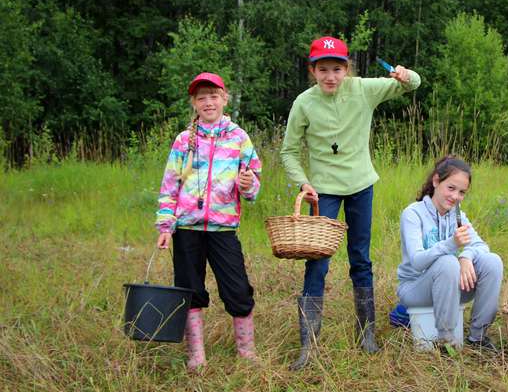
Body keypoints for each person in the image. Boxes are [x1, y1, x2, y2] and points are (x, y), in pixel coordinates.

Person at [280, 36, 421, 370]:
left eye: (337, 69)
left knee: (360, 257)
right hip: (322, 193)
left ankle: (367, 335)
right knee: (318, 262)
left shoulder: (363, 89)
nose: (331, 76)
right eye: (324, 69)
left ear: (347, 69)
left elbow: (412, 84)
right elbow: (288, 151)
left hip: (361, 187)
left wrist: (404, 74)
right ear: (313, 70)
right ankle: (308, 345)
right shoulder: (304, 103)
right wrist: (304, 182)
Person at [155, 72, 262, 371]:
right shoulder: (183, 141)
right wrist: (166, 226)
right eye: (201, 97)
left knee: (238, 290)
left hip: (223, 228)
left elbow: (254, 186)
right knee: (190, 290)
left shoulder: (239, 137)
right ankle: (196, 355)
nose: (208, 102)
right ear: (194, 103)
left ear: (224, 98)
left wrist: (247, 184)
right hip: (187, 228)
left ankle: (246, 352)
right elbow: (169, 186)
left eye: (213, 95)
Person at [396, 156, 503, 351]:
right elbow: (418, 262)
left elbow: (481, 246)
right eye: (451, 188)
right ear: (436, 181)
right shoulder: (413, 214)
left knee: (492, 261)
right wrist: (452, 244)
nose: (455, 197)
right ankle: (446, 340)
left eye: (462, 192)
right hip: (415, 288)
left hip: (449, 287)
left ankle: (478, 337)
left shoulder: (458, 216)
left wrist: (465, 256)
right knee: (447, 262)